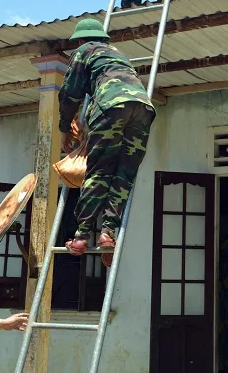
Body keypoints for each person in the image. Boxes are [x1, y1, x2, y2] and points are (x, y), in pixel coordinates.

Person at [57, 18, 156, 267]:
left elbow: (70, 92)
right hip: (142, 108)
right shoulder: (118, 54)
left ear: (80, 40)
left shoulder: (84, 50)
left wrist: (63, 129)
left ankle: (81, 236)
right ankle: (107, 234)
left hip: (111, 107)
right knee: (124, 173)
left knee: (99, 170)